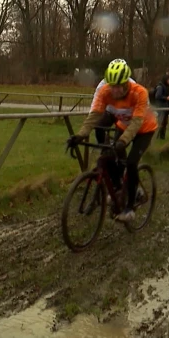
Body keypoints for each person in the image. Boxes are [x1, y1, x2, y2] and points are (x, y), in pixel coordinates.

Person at [68, 59, 158, 222]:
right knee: (111, 155)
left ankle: (130, 207)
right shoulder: (105, 91)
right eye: (111, 85)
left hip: (145, 128)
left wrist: (122, 141)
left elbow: (137, 122)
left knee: (131, 162)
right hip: (124, 125)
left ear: (126, 84)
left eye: (118, 86)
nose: (114, 90)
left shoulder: (139, 92)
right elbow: (94, 116)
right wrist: (80, 135)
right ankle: (118, 188)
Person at [90, 59, 135, 144]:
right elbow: (96, 101)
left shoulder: (132, 84)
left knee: (119, 139)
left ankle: (117, 149)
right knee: (99, 126)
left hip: (125, 113)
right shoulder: (103, 84)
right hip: (110, 111)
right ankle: (104, 147)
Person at [154, 74, 169, 139]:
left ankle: (162, 137)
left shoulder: (167, 87)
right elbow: (157, 96)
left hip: (165, 107)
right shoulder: (160, 87)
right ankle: (155, 136)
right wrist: (166, 98)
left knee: (164, 123)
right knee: (160, 123)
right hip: (161, 107)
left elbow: (168, 95)